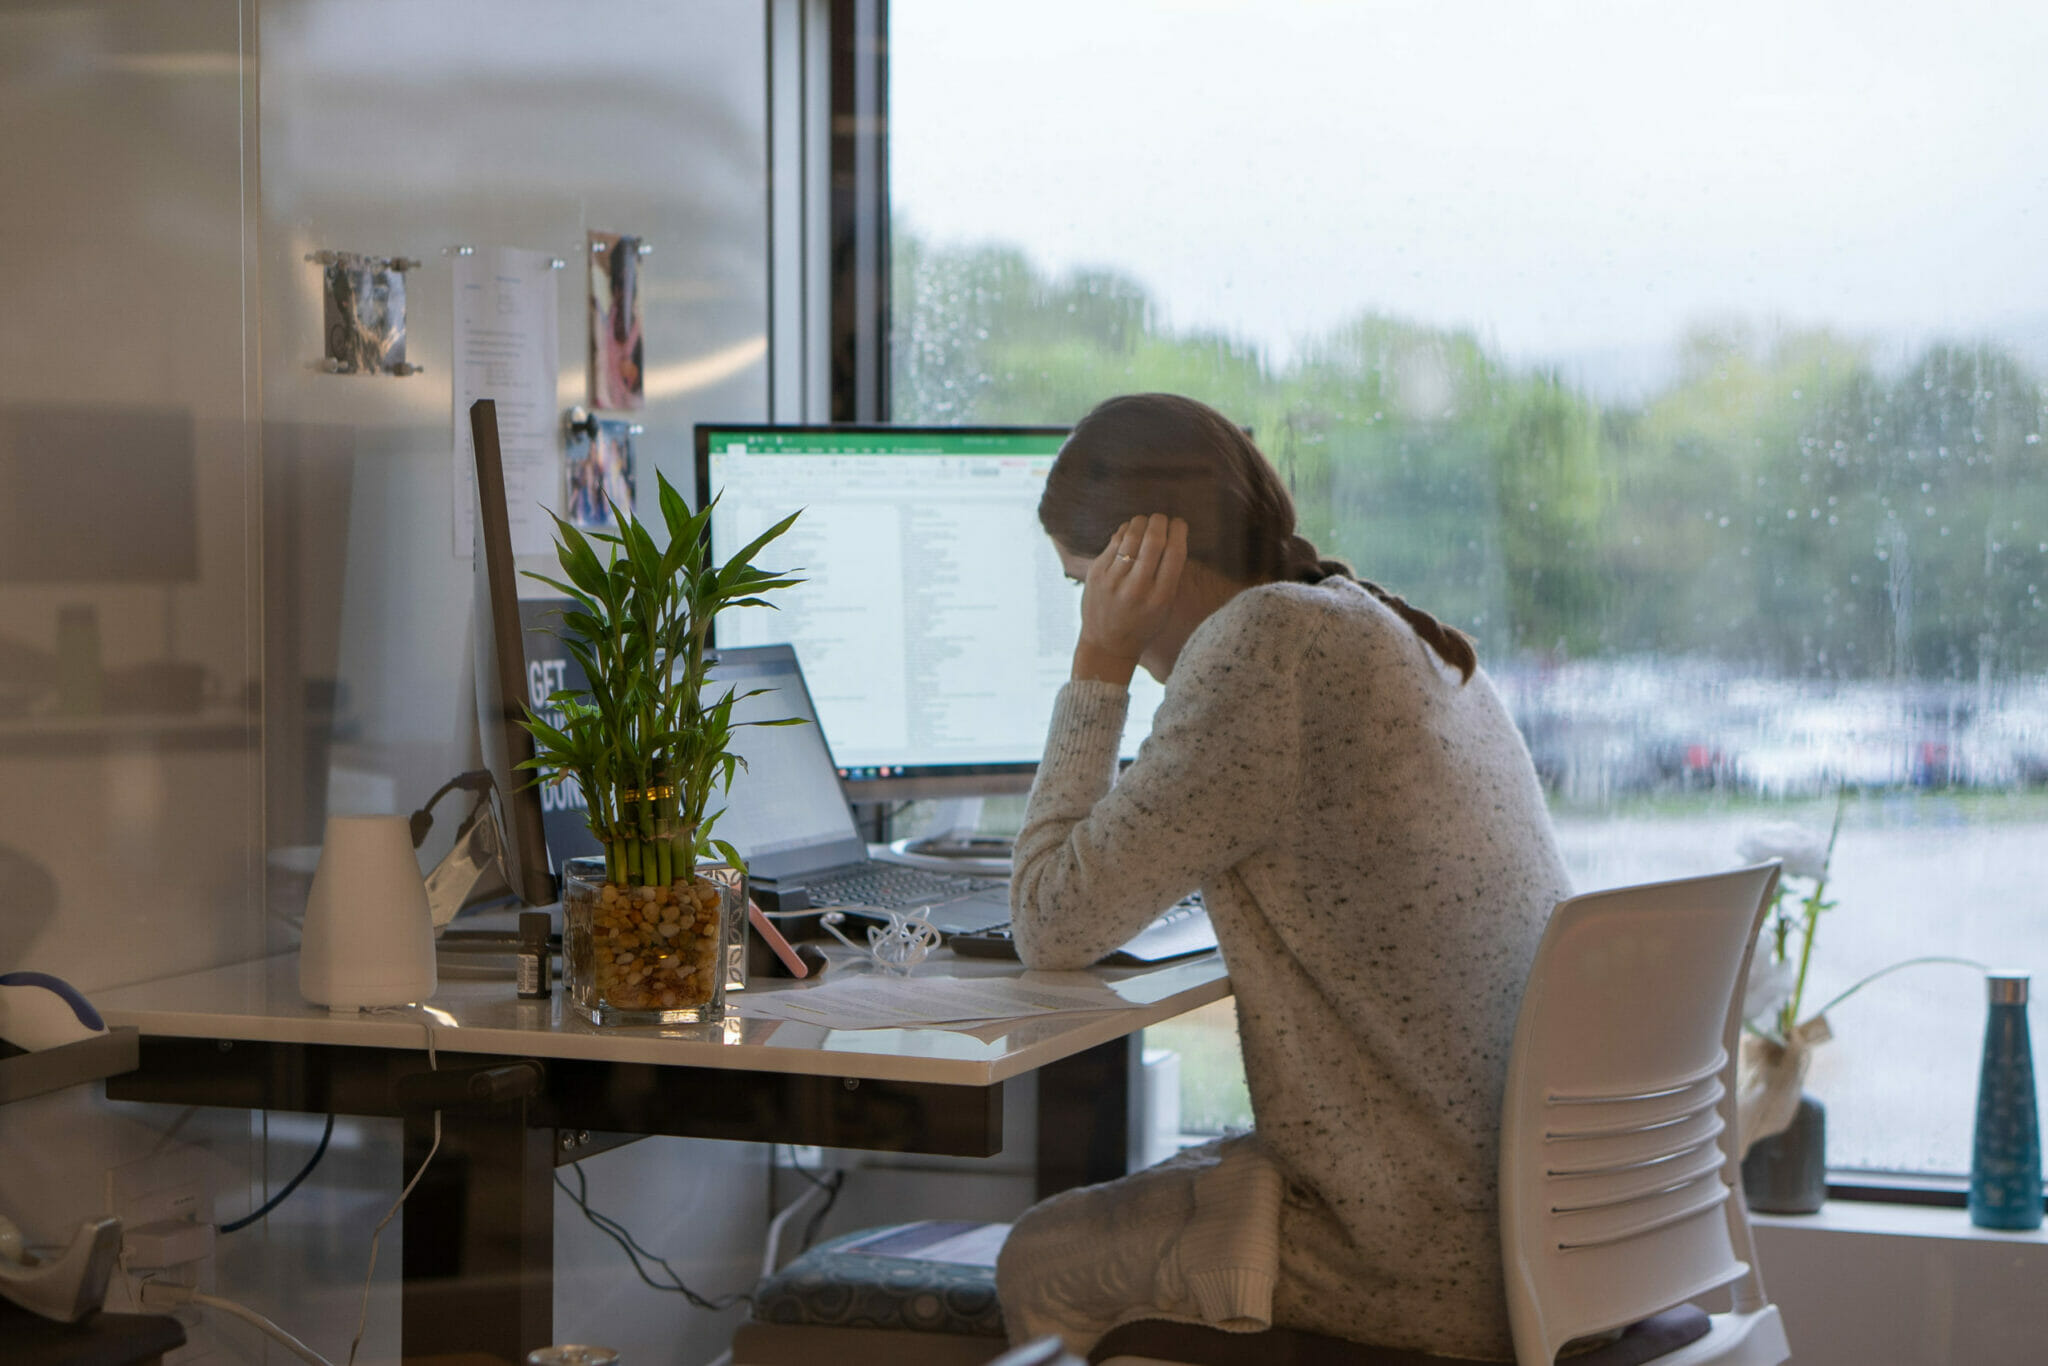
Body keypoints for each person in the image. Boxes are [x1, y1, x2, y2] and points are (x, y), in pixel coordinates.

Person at [996, 393, 1572, 1360]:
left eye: (1081, 583)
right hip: (1540, 1234)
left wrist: (1098, 659)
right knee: (1186, 1183)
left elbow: (1050, 922)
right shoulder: (1372, 620)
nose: (1091, 611)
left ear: (1141, 559)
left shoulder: (1263, 647)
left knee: (1040, 1259)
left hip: (1416, 1261)